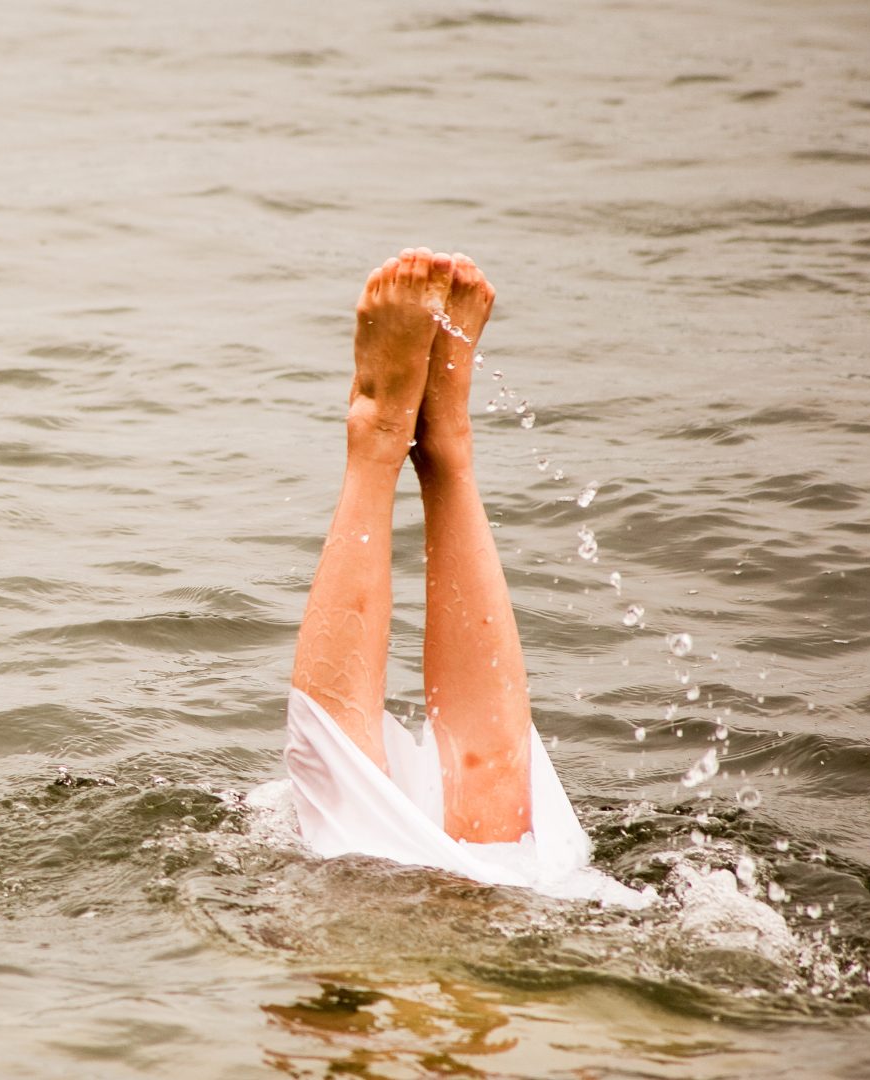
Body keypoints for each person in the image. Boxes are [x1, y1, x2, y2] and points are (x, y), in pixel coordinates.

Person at [273, 248, 648, 905]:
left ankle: (384, 431)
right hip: (551, 922)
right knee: (500, 820)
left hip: (488, 929)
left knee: (373, 847)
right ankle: (443, 442)